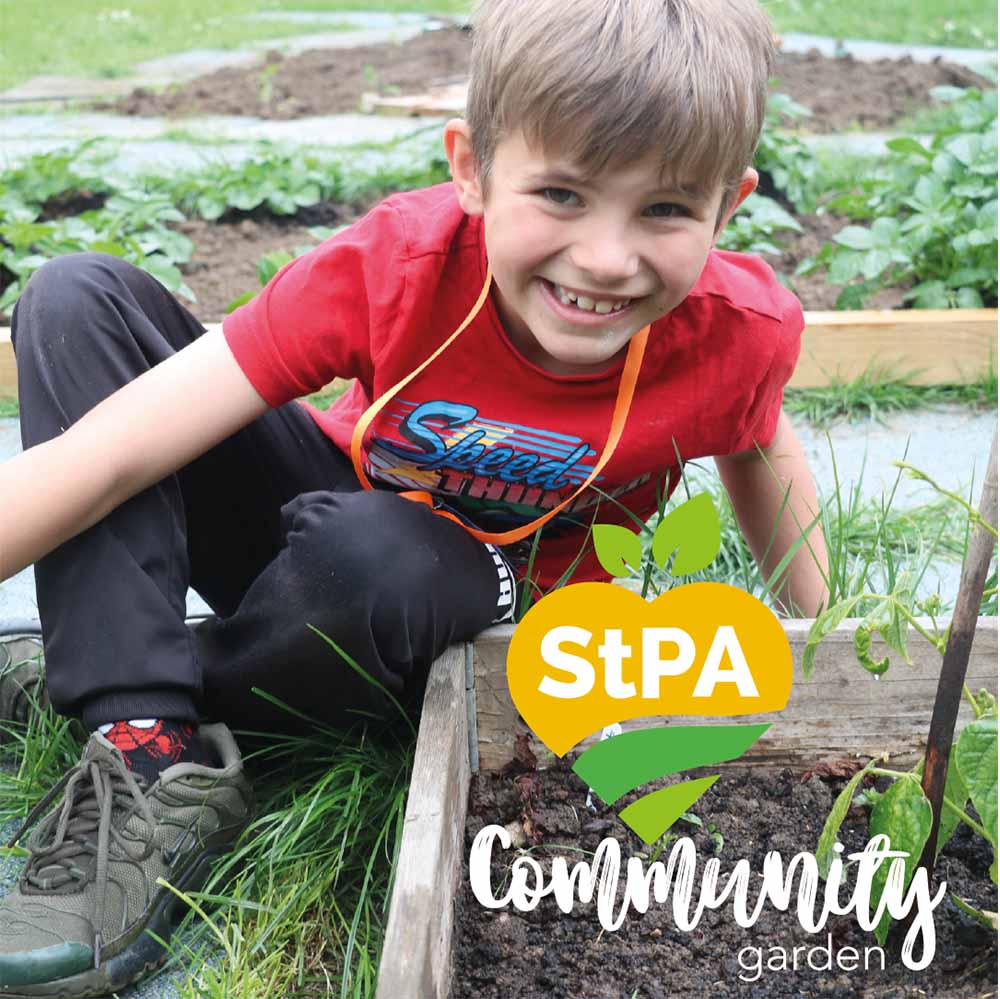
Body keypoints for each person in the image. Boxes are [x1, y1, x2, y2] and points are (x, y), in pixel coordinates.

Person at [0, 0, 829, 992]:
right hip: (324, 526)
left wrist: (828, 640)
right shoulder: (399, 265)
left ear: (726, 208)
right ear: (472, 169)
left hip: (485, 609)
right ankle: (144, 744)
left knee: (382, 557)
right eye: (561, 194)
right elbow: (113, 452)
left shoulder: (734, 331)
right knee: (78, 297)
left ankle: (136, 672)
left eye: (664, 210)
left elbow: (757, 433)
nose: (608, 258)